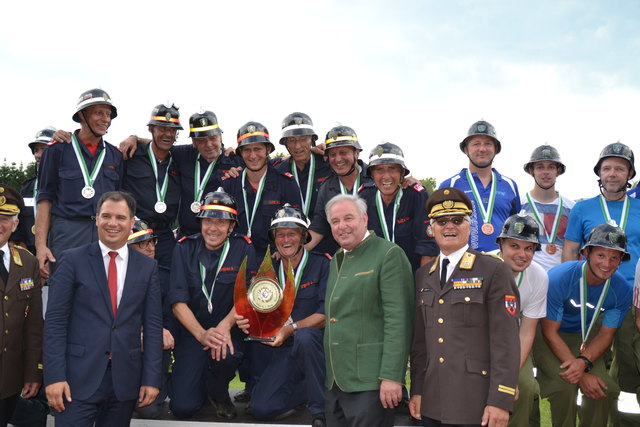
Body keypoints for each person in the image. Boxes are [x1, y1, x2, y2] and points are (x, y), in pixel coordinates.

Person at [44, 191, 162, 426]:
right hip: (76, 381)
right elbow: (55, 322)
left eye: (120, 217)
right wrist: (54, 377)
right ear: (96, 218)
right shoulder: (71, 260)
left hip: (124, 382)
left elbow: (152, 326)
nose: (113, 223)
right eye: (106, 216)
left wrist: (151, 378)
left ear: (131, 222)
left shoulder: (148, 267)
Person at [409, 187, 520, 427]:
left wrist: (501, 399)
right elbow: (420, 343)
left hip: (476, 402)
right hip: (432, 400)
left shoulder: (493, 270)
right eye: (441, 221)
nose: (449, 226)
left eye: (458, 220)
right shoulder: (422, 276)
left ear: (470, 226)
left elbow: (506, 341)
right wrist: (417, 390)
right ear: (431, 228)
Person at [323, 194, 413, 427]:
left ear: (364, 219)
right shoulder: (335, 260)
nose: (342, 226)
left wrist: (392, 377)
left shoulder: (388, 254)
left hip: (372, 383)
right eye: (335, 221)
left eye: (348, 218)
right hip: (337, 382)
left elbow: (399, 321)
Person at [236, 204, 329, 427]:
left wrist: (291, 328)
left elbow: (325, 314)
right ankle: (300, 390)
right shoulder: (266, 268)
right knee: (261, 409)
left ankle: (319, 409)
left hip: (312, 345)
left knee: (305, 337)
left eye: (292, 234)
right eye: (280, 235)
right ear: (274, 239)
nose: (286, 239)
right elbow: (257, 310)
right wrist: (247, 319)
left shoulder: (323, 264)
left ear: (304, 236)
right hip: (279, 348)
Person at [562, 142, 640, 406]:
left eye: (620, 168)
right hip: (591, 299)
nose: (613, 174)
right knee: (589, 361)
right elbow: (570, 251)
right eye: (607, 168)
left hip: (631, 300)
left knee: (630, 364)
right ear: (599, 173)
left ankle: (624, 421)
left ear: (630, 174)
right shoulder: (582, 209)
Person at [168, 189, 257, 420]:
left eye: (221, 222)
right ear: (200, 222)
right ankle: (200, 385)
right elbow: (178, 302)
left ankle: (218, 393)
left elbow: (247, 295)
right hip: (192, 331)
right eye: (208, 221)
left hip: (228, 328)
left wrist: (224, 328)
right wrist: (201, 335)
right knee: (183, 407)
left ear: (231, 227)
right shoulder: (184, 248)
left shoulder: (244, 248)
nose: (213, 228)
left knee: (227, 355)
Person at [538, 222, 633, 427]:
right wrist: (580, 374)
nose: (607, 264)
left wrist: (583, 363)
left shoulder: (622, 289)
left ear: (620, 261)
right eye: (601, 255)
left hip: (584, 337)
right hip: (549, 336)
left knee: (603, 388)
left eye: (614, 257)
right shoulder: (560, 277)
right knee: (564, 387)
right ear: (586, 252)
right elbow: (549, 331)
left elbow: (606, 334)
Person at [35, 89, 122, 280]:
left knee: (101, 297)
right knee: (63, 295)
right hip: (68, 233)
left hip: (104, 233)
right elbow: (44, 200)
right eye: (99, 113)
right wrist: (40, 246)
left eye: (108, 114)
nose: (105, 119)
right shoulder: (57, 150)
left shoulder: (115, 155)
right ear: (82, 115)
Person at [495, 213, 548, 427]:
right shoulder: (481, 266)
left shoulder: (539, 276)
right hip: (478, 342)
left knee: (524, 386)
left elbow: (526, 331)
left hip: (513, 342)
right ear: (501, 244)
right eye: (514, 246)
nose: (522, 254)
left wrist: (509, 374)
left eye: (529, 248)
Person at [221, 121, 302, 260]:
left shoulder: (286, 183)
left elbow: (297, 226)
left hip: (273, 260)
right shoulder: (229, 184)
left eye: (257, 149)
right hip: (234, 260)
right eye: (247, 150)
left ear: (268, 150)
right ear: (240, 153)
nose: (253, 156)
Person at [439, 120, 520, 252]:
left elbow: (515, 228)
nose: (482, 149)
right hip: (462, 264)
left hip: (501, 263)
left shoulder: (510, 185)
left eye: (488, 144)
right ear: (466, 149)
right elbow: (438, 229)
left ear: (496, 149)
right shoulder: (450, 185)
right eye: (476, 144)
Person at [358, 142, 437, 271]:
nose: (386, 176)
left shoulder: (416, 196)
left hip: (412, 275)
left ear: (402, 172)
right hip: (376, 276)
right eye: (379, 169)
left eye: (392, 168)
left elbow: (428, 249)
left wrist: (423, 287)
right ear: (372, 174)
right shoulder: (364, 196)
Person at [0, 185, 42, 427]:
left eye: (5, 218)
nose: (0, 225)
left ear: (15, 224)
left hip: (9, 379)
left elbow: (34, 325)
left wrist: (33, 373)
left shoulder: (27, 263)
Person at [120, 103, 182, 268]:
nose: (168, 134)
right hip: (135, 234)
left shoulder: (180, 160)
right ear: (150, 129)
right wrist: (134, 138)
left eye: (172, 130)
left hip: (165, 235)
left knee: (166, 284)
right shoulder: (131, 155)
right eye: (162, 128)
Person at [127, 219, 174, 420]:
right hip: (123, 350)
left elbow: (172, 322)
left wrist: (153, 335)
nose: (150, 248)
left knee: (148, 409)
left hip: (154, 352)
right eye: (142, 244)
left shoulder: (165, 277)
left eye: (152, 242)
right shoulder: (112, 275)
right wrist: (137, 333)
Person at [173, 110, 241, 238]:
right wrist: (134, 139)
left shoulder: (234, 160)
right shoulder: (183, 155)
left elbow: (262, 164)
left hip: (217, 239)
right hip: (185, 238)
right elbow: (159, 147)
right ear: (194, 142)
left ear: (220, 136)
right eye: (202, 140)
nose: (209, 145)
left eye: (213, 138)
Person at [306, 126, 369, 255]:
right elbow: (319, 227)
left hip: (377, 257)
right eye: (333, 154)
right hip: (345, 259)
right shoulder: (326, 188)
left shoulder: (374, 178)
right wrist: (294, 251)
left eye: (343, 152)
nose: (338, 159)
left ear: (357, 153)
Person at [520, 144, 575, 271]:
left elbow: (573, 249)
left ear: (558, 171)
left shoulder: (571, 208)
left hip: (559, 280)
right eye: (540, 167)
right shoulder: (519, 204)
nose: (546, 172)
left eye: (551, 167)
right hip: (527, 278)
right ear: (531, 171)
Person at [275, 112, 333, 219]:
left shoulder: (329, 165)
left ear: (312, 140)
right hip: (291, 233)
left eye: (303, 139)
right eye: (292, 140)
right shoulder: (278, 172)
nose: (297, 146)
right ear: (286, 144)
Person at [11, 127, 56, 255]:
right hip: (29, 253)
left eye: (44, 149)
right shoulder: (27, 188)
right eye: (36, 150)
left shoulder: (65, 186)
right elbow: (19, 220)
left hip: (56, 252)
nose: (38, 155)